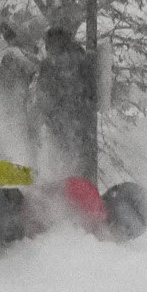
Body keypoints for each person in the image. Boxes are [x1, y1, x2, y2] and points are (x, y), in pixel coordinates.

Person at [34, 15, 96, 181]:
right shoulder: (81, 58)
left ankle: (64, 193)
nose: (47, 48)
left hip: (60, 122)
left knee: (60, 164)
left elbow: (43, 95)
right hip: (81, 124)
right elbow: (90, 91)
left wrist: (40, 119)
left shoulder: (50, 64)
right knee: (76, 166)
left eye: (48, 45)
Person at [0, 19, 38, 162]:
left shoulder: (15, 54)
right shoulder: (18, 55)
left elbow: (1, 85)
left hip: (15, 104)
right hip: (17, 105)